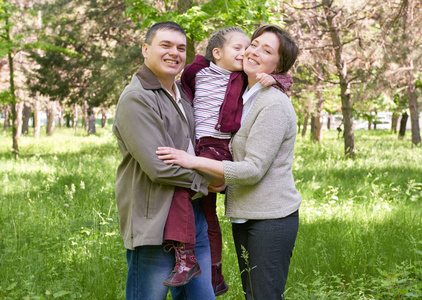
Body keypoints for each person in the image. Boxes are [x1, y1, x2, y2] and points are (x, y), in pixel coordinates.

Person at [156, 24, 302, 299]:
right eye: (254, 43)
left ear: (278, 65)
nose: (254, 51)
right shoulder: (241, 92)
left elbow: (253, 169)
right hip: (245, 214)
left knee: (264, 296)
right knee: (252, 294)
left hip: (270, 217)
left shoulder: (273, 104)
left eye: (266, 50)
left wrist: (193, 162)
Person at [112, 21, 217, 300]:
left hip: (192, 215)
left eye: (181, 48)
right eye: (166, 45)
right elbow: (159, 167)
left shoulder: (182, 93)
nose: (175, 53)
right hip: (154, 218)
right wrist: (209, 178)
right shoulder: (138, 97)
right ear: (146, 49)